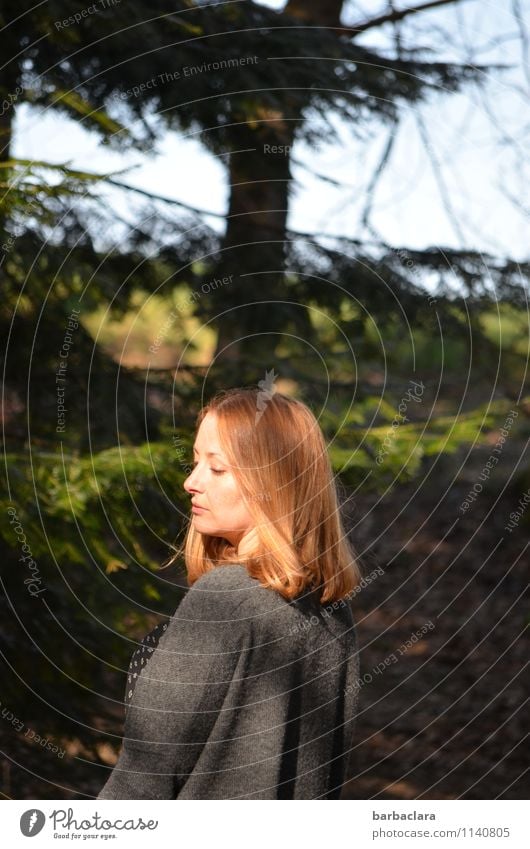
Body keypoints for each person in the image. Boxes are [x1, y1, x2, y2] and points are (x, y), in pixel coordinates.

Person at [97, 386, 362, 800]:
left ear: (272, 484)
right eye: (195, 462)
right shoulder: (329, 607)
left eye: (218, 469)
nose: (190, 482)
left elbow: (144, 777)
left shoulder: (225, 600)